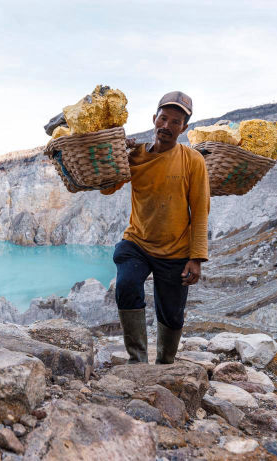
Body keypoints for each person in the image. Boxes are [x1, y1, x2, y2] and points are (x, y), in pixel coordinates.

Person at [100, 90, 210, 364]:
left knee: (172, 313)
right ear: (154, 119)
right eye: (164, 118)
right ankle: (137, 360)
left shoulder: (193, 161)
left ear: (184, 128)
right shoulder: (135, 155)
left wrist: (196, 258)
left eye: (176, 122)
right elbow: (107, 188)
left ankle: (165, 362)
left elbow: (200, 211)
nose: (167, 126)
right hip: (137, 242)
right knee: (126, 284)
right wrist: (114, 154)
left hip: (175, 249)